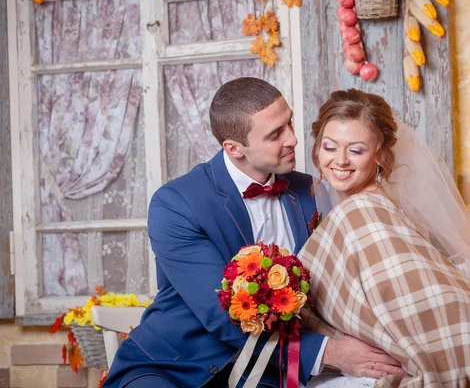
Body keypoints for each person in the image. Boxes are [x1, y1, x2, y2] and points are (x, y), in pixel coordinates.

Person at [103, 78, 404, 388]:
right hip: (175, 366)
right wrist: (330, 351)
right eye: (276, 134)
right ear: (234, 148)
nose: (292, 139)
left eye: (289, 123)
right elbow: (220, 314)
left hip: (269, 372)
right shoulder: (177, 203)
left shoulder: (311, 190)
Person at [298, 89, 470, 387]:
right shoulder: (361, 207)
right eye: (330, 147)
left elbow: (457, 301)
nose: (340, 160)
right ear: (317, 147)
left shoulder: (361, 211)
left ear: (380, 155)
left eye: (356, 150)